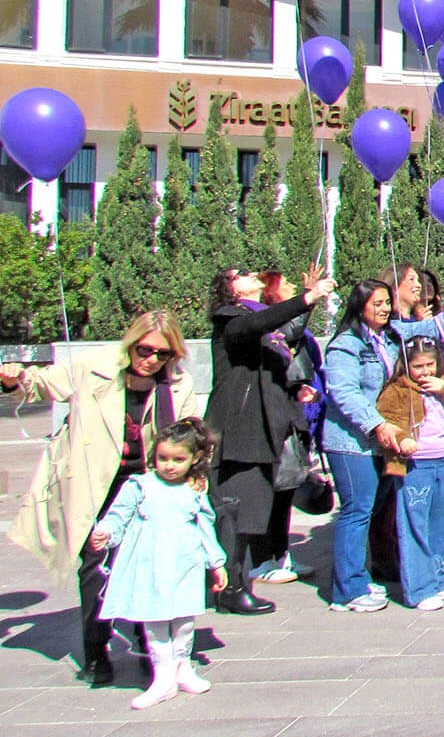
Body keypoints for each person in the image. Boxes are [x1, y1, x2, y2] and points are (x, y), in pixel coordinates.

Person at [4, 311, 196, 688]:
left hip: (146, 484)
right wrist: (14, 379)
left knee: (147, 563)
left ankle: (149, 642)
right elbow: (40, 385)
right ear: (131, 343)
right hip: (96, 482)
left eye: (162, 354)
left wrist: (195, 472)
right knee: (96, 566)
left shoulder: (176, 382)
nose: (152, 360)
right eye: (145, 350)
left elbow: (190, 433)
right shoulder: (95, 367)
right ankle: (96, 650)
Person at [321, 279, 444, 613]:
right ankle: (347, 590)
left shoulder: (390, 336)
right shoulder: (346, 345)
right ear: (359, 306)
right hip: (352, 442)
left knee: (374, 510)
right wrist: (377, 424)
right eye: (377, 303)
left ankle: (366, 574)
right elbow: (344, 392)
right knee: (357, 510)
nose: (385, 309)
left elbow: (431, 327)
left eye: (387, 302)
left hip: (384, 442)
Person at [205, 265, 335, 615]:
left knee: (251, 511)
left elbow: (271, 368)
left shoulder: (262, 326)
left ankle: (234, 584)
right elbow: (256, 326)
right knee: (235, 513)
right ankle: (231, 587)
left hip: (264, 429)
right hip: (239, 431)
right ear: (230, 288)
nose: (251, 273)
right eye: (241, 273)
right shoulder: (229, 318)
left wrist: (296, 389)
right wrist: (307, 298)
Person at [88, 417, 227, 710]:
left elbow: (205, 526)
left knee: (184, 620)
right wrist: (106, 532)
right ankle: (163, 676)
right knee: (155, 622)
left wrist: (216, 562)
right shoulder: (140, 485)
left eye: (178, 459)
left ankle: (183, 666)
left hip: (185, 564)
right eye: (163, 458)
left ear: (194, 458)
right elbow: (118, 515)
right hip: (148, 566)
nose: (169, 465)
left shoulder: (194, 488)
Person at [373, 336, 444, 609]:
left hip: (443, 461)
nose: (425, 371)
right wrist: (401, 440)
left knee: (441, 525)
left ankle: (438, 579)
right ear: (406, 366)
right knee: (415, 526)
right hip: (415, 465)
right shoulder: (397, 390)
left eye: (430, 364)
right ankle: (419, 589)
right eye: (418, 366)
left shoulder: (441, 383)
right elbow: (386, 421)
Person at [249, 268, 326, 585]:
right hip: (275, 417)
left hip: (296, 411)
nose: (293, 286)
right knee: (273, 489)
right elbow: (289, 331)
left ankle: (280, 555)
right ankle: (262, 560)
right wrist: (309, 298)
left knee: (286, 489)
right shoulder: (264, 324)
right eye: (286, 285)